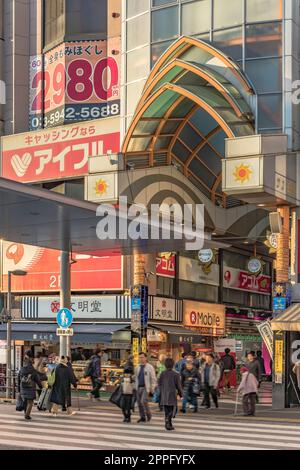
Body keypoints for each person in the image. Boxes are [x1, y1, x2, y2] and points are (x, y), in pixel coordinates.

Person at [159, 358, 183, 431]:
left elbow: (159, 383)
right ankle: (168, 422)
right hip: (172, 393)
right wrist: (180, 394)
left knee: (166, 409)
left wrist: (161, 391)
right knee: (172, 410)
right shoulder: (176, 374)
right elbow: (178, 386)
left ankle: (168, 422)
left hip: (164, 393)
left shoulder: (162, 373)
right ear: (173, 365)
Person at [19, 353, 43, 420]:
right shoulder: (32, 370)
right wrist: (41, 386)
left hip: (23, 387)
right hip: (30, 387)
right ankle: (27, 415)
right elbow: (37, 379)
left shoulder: (22, 369)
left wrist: (19, 388)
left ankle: (25, 413)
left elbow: (19, 379)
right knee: (30, 402)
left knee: (25, 401)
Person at [135, 352, 157, 423]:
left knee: (143, 401)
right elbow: (135, 377)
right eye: (140, 357)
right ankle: (142, 417)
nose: (141, 359)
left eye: (142, 357)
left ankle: (149, 414)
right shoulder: (137, 367)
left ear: (146, 358)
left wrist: (152, 388)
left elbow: (153, 379)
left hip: (146, 387)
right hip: (138, 387)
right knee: (139, 403)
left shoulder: (150, 367)